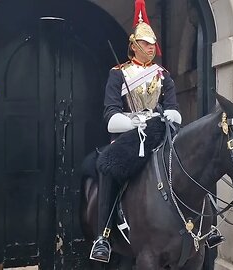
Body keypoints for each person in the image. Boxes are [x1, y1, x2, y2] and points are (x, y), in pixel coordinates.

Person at [89, 0, 181, 263]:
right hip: (129, 138)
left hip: (159, 135)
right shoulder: (118, 74)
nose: (151, 48)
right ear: (134, 46)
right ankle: (103, 237)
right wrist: (136, 121)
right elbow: (110, 117)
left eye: (153, 44)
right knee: (107, 168)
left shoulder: (163, 75)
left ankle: (202, 228)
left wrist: (160, 116)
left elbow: (175, 111)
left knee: (192, 162)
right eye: (145, 44)